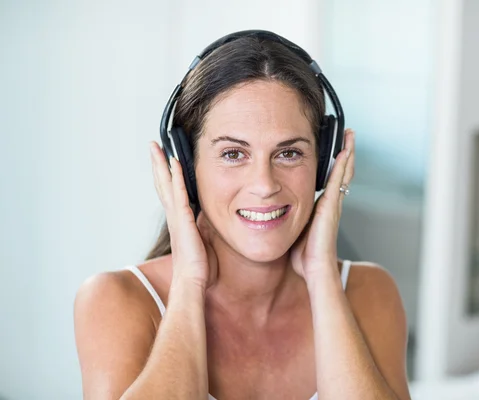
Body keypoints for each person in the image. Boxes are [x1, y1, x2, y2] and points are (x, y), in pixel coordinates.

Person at [74, 31, 411, 400]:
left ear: (323, 165)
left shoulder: (370, 293)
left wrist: (322, 276)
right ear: (187, 167)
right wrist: (189, 281)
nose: (264, 185)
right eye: (234, 154)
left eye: (289, 153)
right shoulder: (116, 301)